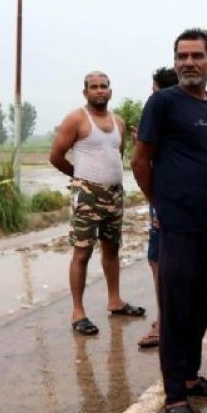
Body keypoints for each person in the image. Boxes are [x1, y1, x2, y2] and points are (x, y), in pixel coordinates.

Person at [133, 30, 207, 413]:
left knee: (200, 305)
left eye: (197, 55)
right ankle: (175, 395)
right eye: (182, 56)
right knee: (175, 312)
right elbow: (141, 161)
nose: (189, 62)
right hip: (178, 227)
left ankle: (191, 378)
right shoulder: (163, 103)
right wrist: (160, 205)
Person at [49, 72, 146, 336]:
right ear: (85, 92)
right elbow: (56, 156)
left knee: (112, 248)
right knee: (82, 252)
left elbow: (118, 154)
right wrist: (79, 177)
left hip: (114, 194)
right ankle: (78, 312)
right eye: (94, 87)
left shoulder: (119, 122)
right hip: (87, 195)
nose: (99, 91)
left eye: (104, 86)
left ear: (110, 91)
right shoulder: (76, 119)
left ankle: (115, 300)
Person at [137, 66, 179, 349]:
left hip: (166, 199)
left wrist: (156, 203)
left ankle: (165, 323)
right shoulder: (199, 110)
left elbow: (140, 161)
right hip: (185, 201)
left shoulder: (160, 112)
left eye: (154, 91)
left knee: (160, 261)